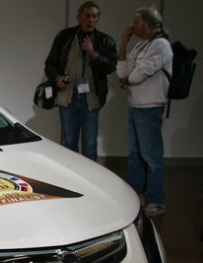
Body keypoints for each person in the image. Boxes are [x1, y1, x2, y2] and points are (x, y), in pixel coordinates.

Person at [117, 6, 172, 217]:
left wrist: (127, 78)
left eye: (137, 22)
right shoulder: (141, 45)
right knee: (135, 155)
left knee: (152, 157)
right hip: (135, 105)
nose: (133, 25)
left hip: (150, 107)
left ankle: (157, 200)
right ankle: (135, 194)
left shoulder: (161, 45)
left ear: (148, 25)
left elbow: (138, 75)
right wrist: (124, 42)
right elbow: (123, 71)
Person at [44, 1, 117, 161]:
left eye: (95, 16)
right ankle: (70, 175)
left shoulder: (105, 40)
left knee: (90, 145)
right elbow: (50, 64)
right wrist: (57, 78)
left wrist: (94, 54)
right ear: (79, 17)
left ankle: (91, 176)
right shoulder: (65, 37)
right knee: (69, 143)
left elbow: (111, 66)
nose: (91, 20)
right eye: (87, 16)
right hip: (68, 96)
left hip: (91, 98)